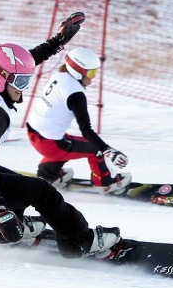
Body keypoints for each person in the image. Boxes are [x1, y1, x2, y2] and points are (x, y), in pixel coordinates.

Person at [0, 12, 125, 259]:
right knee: (41, 191)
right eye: (21, 82)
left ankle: (3, 233)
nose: (25, 88)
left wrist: (56, 43)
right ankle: (79, 240)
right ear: (0, 79)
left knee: (18, 183)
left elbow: (23, 62)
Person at [26, 47, 132, 195]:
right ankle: (106, 184)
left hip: (35, 133)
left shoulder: (59, 75)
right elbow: (86, 130)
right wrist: (108, 150)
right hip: (50, 143)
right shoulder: (75, 93)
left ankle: (48, 174)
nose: (93, 77)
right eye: (91, 73)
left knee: (71, 142)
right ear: (78, 72)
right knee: (95, 150)